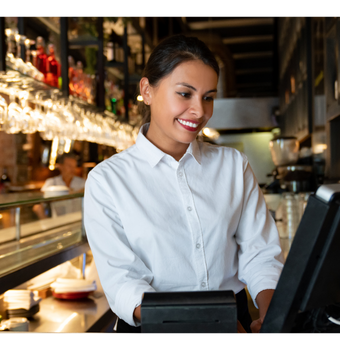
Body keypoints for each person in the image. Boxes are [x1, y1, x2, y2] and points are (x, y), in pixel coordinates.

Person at [83, 34, 283, 333]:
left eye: (208, 97)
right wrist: (212, 325)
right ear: (147, 90)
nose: (200, 111)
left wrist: (273, 318)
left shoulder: (233, 165)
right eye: (185, 94)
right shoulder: (107, 180)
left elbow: (260, 253)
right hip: (153, 327)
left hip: (233, 320)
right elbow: (122, 282)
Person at [34, 153, 85, 219]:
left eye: (74, 166)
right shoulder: (51, 183)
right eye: (69, 166)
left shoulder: (83, 183)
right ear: (60, 166)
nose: (73, 169)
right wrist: (46, 224)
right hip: (60, 224)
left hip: (78, 223)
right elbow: (37, 206)